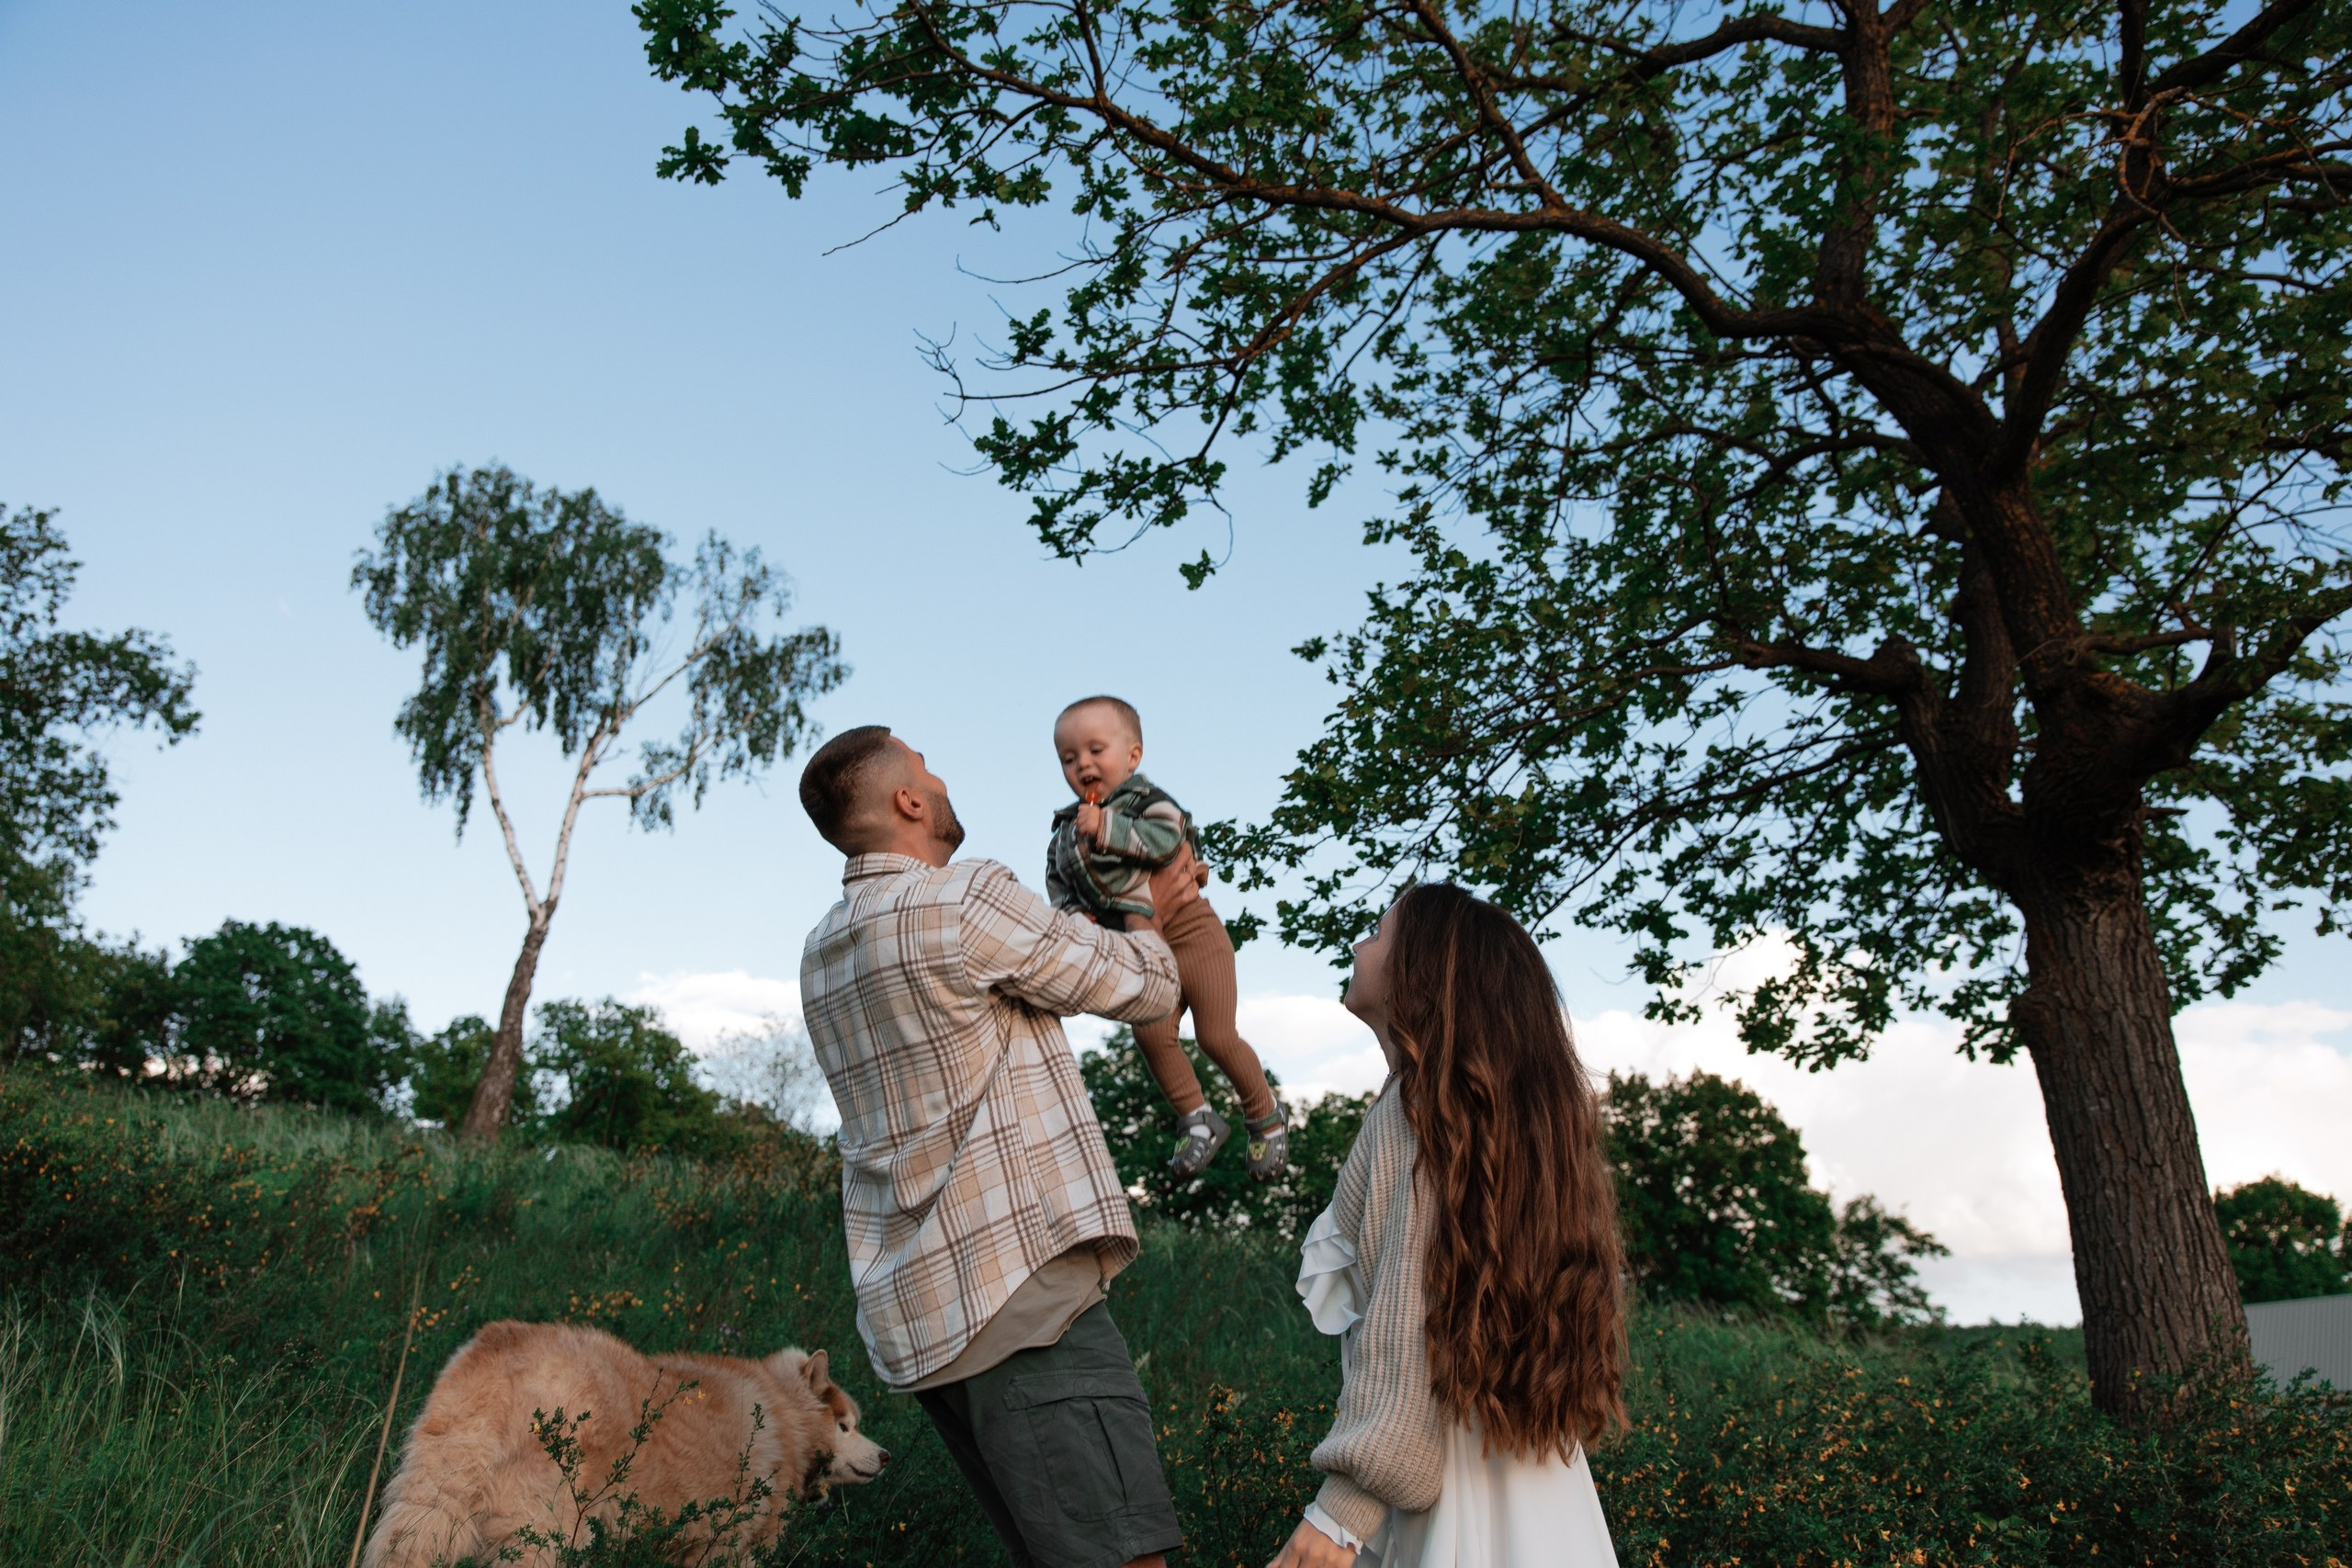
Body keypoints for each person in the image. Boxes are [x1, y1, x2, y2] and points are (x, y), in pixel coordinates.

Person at [797, 724, 1203, 1568]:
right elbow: (1147, 982)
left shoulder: (823, 951)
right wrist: (1151, 896)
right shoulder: (962, 898)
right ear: (909, 800)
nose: (941, 779)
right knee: (1126, 1560)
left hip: (924, 1317)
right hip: (1020, 1299)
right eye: (926, 768)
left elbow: (1028, 963)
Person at [1270, 884, 1626, 1568]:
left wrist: (1340, 1514)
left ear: (1423, 970)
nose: (1357, 944)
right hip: (1536, 1487)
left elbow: (1411, 1320)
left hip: (1449, 1495)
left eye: (1376, 931)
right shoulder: (1484, 1121)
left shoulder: (1417, 1108)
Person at [1046, 694, 1287, 1181]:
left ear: (1133, 756)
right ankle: (1197, 1119)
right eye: (1069, 759)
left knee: (1216, 1035)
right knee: (1151, 1033)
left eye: (1096, 750)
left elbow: (1167, 841)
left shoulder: (1147, 802)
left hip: (1193, 932)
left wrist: (1108, 827)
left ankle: (1265, 1116)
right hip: (1139, 947)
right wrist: (1075, 915)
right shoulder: (1065, 831)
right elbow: (1057, 880)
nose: (1083, 764)